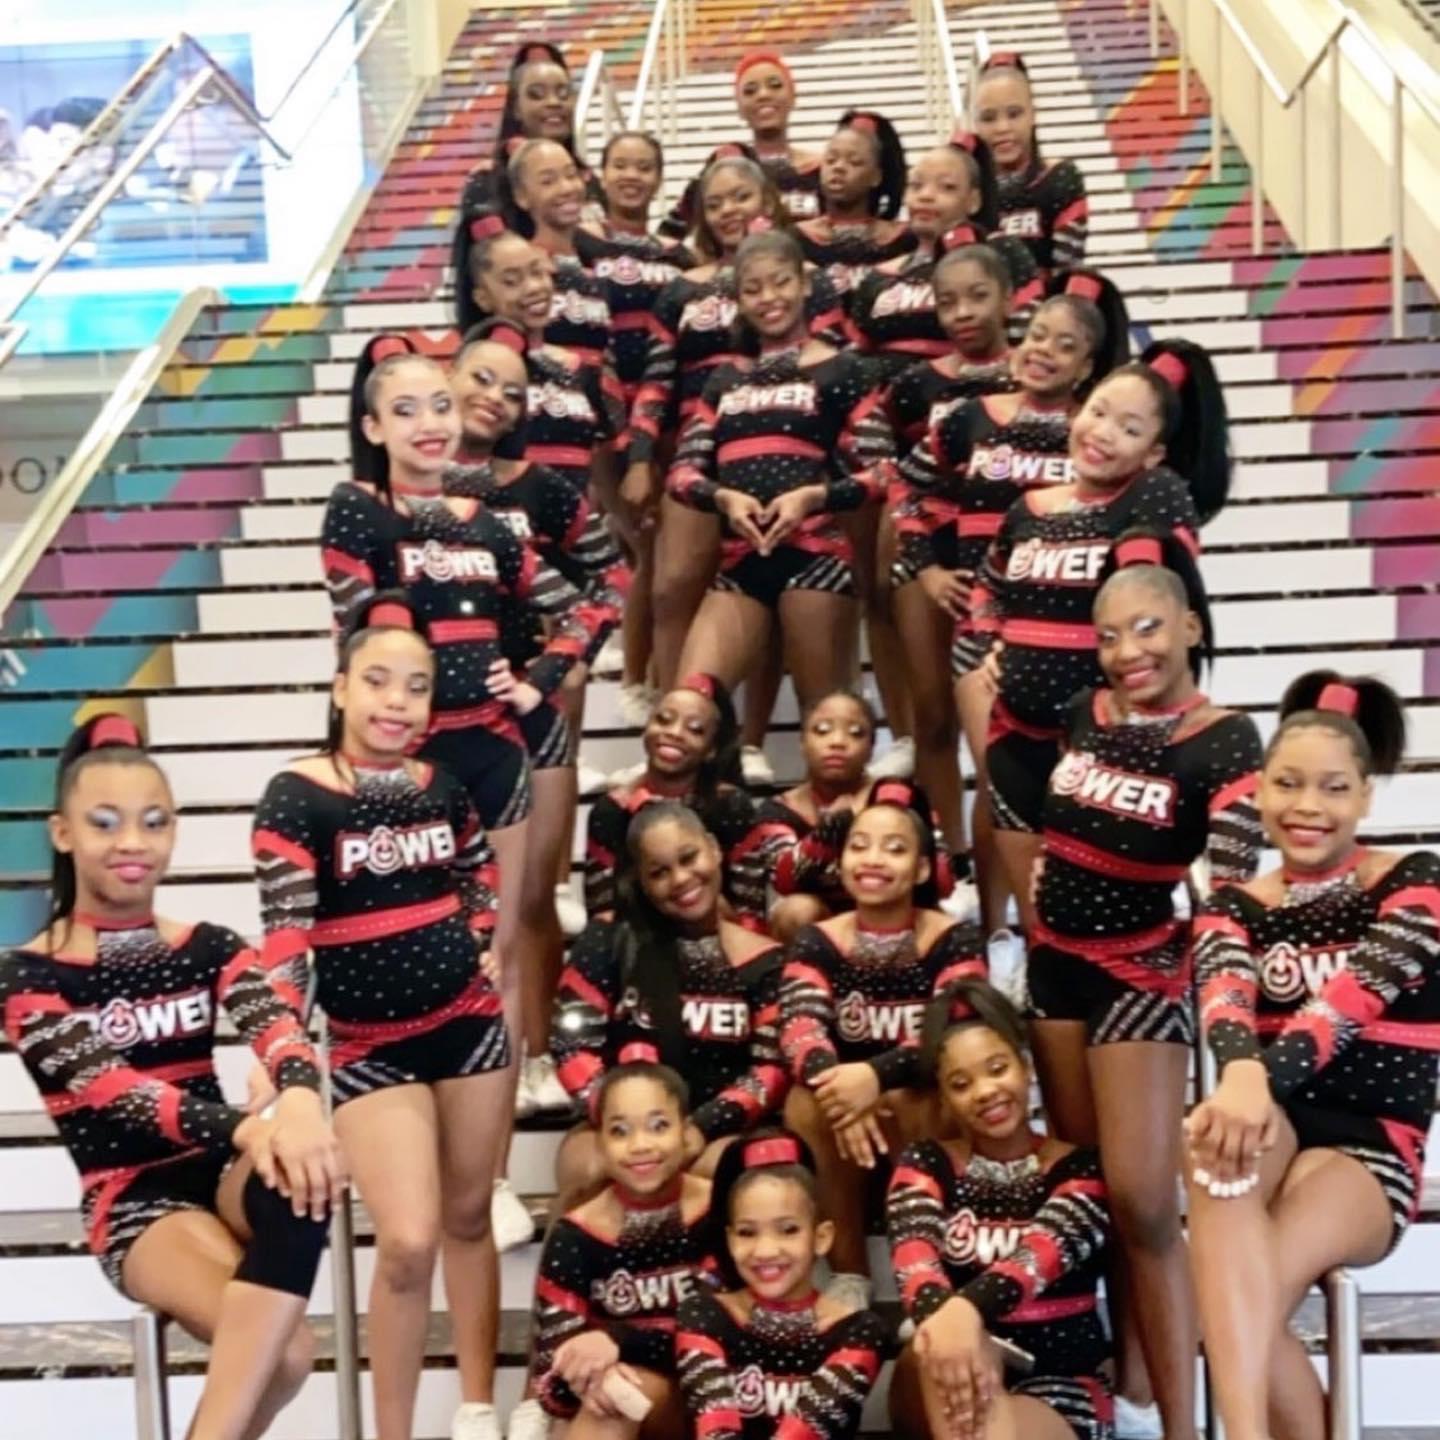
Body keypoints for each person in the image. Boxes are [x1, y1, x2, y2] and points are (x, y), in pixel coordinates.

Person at [0, 714, 341, 1440]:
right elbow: (116, 1092)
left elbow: (277, 1023)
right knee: (287, 1357)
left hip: (218, 1173)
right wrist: (251, 1127)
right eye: (105, 823)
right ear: (63, 833)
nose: (132, 842)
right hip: (134, 1196)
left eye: (153, 823)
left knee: (303, 1168)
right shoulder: (28, 976)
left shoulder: (208, 946)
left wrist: (300, 1097)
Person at [251, 597, 513, 1440]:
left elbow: (479, 869)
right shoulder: (296, 796)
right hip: (371, 1046)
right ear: (340, 688)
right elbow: (285, 938)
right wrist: (282, 1046)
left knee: (469, 1219)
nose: (397, 702)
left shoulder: (442, 785)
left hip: (471, 1026)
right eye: (377, 681)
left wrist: (482, 939)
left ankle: (478, 1407)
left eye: (416, 687)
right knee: (407, 1240)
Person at [1023, 533, 1262, 1440]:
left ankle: (1182, 1426)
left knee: (1143, 1204)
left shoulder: (1225, 737)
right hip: (1054, 970)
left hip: (1139, 973)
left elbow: (1232, 889)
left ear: (1192, 626)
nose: (1129, 652)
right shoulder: (1082, 713)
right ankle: (1127, 1392)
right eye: (1110, 636)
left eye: (1149, 628)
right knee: (1091, 1193)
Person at [1188, 671, 1440, 1440]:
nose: (1307, 806)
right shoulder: (1233, 906)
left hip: (1372, 1145)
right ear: (1260, 791)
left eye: (1333, 788)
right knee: (1216, 1154)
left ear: (1365, 797)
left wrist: (1250, 1079)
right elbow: (1224, 1002)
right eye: (1288, 783)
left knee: (1246, 1291)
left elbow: (1348, 1006)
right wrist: (1242, 1077)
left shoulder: (1417, 881)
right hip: (1271, 1123)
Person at [893, 272, 1130, 928]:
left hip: (1073, 639)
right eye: (1038, 336)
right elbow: (907, 490)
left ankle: (1057, 924)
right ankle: (998, 932)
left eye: (1065, 345)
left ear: (1087, 365)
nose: (1044, 351)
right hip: (983, 628)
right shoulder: (968, 418)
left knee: (1067, 787)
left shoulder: (1096, 435)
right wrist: (926, 569)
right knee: (1002, 781)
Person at [970, 339, 1232, 923]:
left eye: (1130, 429)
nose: (1104, 433)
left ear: (1154, 453)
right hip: (1016, 736)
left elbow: (1161, 604)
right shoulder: (1027, 509)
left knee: (1110, 917)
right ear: (1078, 409)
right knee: (1041, 925)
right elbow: (988, 586)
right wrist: (991, 642)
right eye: (1099, 412)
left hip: (1110, 743)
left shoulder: (1155, 494)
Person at [444, 317, 632, 1111]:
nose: (496, 397)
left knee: (529, 903)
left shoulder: (542, 488)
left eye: (514, 392)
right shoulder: (396, 493)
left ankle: (532, 1057)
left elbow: (613, 579)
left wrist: (555, 666)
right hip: (430, 729)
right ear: (446, 380)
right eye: (482, 378)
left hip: (527, 714)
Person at [626, 153, 846, 751]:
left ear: (768, 201)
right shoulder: (681, 288)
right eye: (714, 202)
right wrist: (641, 456)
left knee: (772, 592)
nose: (728, 210)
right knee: (674, 587)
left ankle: (749, 743)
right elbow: (657, 378)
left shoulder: (808, 278)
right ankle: (672, 723)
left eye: (740, 197)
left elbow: (834, 363)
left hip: (789, 445)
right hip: (700, 449)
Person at [668, 228, 893, 715]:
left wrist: (814, 498)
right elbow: (682, 475)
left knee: (823, 717)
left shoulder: (843, 370)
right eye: (753, 289)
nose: (769, 298)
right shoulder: (725, 378)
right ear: (737, 299)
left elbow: (884, 474)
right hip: (739, 561)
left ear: (805, 284)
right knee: (689, 706)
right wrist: (721, 497)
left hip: (816, 557)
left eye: (780, 282)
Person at [779, 779, 986, 1299]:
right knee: (805, 1102)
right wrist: (841, 1091)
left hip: (918, 1098)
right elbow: (799, 1028)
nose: (873, 859)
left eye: (894, 849)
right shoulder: (818, 939)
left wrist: (873, 1077)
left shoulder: (953, 937)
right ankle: (850, 1275)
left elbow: (955, 1030)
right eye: (859, 845)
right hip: (843, 1117)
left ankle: (933, 1273)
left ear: (921, 869)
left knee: (925, 1094)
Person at [887, 980, 1114, 1440]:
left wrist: (965, 1314)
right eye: (961, 1084)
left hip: (1060, 1382)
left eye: (997, 1068)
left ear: (1025, 1068)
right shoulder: (926, 1164)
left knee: (958, 1350)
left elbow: (1038, 1257)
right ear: (944, 1098)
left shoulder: (1079, 1168)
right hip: (950, 1370)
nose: (985, 1091)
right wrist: (961, 1332)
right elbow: (915, 1262)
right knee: (943, 1352)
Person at [553, 802, 787, 1207]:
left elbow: (771, 1069)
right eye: (659, 872)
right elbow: (570, 1043)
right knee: (586, 1168)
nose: (680, 879)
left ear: (713, 848)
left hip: (721, 1129)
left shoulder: (765, 960)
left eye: (689, 858)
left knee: (723, 1171)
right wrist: (625, 1124)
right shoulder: (608, 940)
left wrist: (700, 1127)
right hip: (625, 1124)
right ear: (641, 881)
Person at [523, 1058, 719, 1440]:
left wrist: (619, 1341)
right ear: (600, 1143)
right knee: (610, 1401)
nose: (640, 1145)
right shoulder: (576, 1235)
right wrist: (588, 1379)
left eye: (659, 1126)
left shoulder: (719, 1210)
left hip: (724, 1396)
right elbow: (548, 1382)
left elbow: (734, 1334)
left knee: (623, 1395)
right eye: (620, 1131)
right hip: (626, 1404)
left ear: (686, 1132)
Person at [576, 130, 692, 706]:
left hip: (661, 410)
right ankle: (634, 676)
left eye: (644, 166)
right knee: (641, 541)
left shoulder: (678, 256)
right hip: (601, 412)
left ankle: (646, 673)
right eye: (620, 165)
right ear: (602, 173)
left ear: (659, 178)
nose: (631, 176)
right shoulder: (580, 243)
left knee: (654, 542)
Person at [676, 1129, 888, 1439]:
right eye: (747, 1233)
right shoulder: (703, 1316)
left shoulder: (859, 1331)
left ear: (821, 1237)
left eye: (788, 1230)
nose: (766, 1250)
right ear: (730, 1239)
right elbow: (714, 1430)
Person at [848, 132, 1041, 392]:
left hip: (975, 390)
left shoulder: (1000, 252)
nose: (926, 196)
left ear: (973, 201)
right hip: (889, 401)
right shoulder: (878, 276)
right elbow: (856, 356)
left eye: (946, 187)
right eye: (916, 186)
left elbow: (1026, 338)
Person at [450, 219, 628, 501]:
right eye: (512, 281)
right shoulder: (474, 371)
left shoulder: (578, 368)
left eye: (537, 272)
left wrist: (624, 522)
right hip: (507, 518)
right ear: (482, 298)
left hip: (574, 522)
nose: (533, 287)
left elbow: (600, 461)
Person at [583, 675, 767, 927]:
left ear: (711, 750)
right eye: (663, 720)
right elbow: (602, 912)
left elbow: (751, 913)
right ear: (647, 726)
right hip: (636, 939)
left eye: (695, 729)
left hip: (719, 933)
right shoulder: (613, 809)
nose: (674, 733)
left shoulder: (730, 805)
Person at [658, 51, 823, 238]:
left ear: (793, 95)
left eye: (775, 85)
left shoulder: (822, 169)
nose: (763, 95)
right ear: (739, 106)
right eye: (750, 91)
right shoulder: (725, 162)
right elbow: (670, 231)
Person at [761, 690, 881, 941]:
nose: (837, 741)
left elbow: (941, 878)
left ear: (872, 748)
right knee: (796, 911)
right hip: (817, 922)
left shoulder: (895, 798)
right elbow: (784, 878)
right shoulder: (779, 809)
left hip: (885, 912)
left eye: (855, 733)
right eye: (822, 730)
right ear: (802, 743)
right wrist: (833, 826)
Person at [458, 43, 602, 221]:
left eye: (563, 93)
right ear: (516, 108)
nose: (553, 102)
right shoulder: (488, 180)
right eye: (536, 94)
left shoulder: (588, 180)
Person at [972, 52, 1088, 273]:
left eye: (1014, 114)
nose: (1002, 128)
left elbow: (1067, 268)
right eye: (988, 118)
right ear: (975, 124)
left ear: (1033, 115)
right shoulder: (969, 190)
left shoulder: (1060, 178)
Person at [796, 109, 913, 306]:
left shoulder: (906, 239)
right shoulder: (794, 239)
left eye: (854, 162)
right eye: (831, 160)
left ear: (876, 176)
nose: (838, 167)